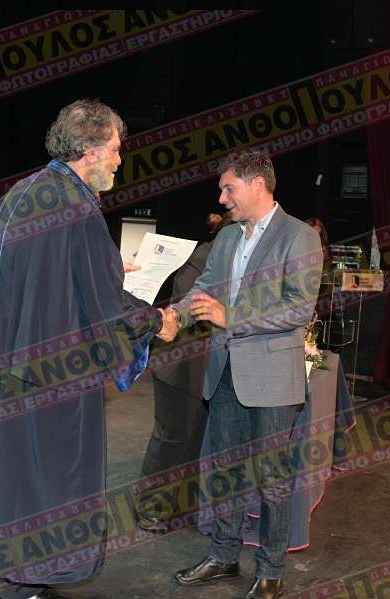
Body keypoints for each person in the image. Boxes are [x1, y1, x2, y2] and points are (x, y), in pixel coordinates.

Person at [0, 99, 178, 599]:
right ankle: (35, 580)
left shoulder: (23, 192)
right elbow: (105, 306)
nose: (119, 160)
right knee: (51, 481)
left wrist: (109, 267)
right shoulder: (77, 207)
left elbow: (45, 276)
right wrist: (157, 321)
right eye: (115, 150)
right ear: (91, 150)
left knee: (9, 472)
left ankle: (2, 566)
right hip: (53, 375)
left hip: (6, 362)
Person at [167, 150, 322, 599]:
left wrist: (230, 316)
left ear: (257, 185)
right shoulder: (229, 237)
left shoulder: (299, 237)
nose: (222, 197)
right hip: (225, 372)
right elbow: (204, 289)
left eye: (228, 188)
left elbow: (297, 309)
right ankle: (223, 554)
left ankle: (271, 570)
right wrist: (174, 316)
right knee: (225, 471)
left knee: (271, 477)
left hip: (272, 379)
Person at [136, 211, 232, 532]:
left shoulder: (216, 256)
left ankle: (179, 505)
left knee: (192, 438)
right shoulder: (205, 258)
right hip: (180, 365)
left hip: (199, 365)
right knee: (172, 437)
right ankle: (150, 508)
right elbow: (186, 309)